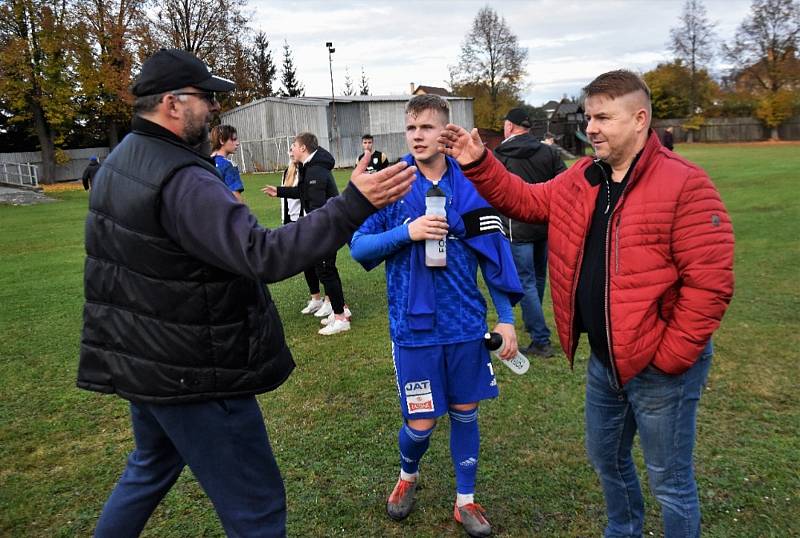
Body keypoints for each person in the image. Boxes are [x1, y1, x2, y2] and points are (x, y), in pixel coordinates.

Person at [76, 47, 415, 538]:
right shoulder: (182, 178)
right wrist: (351, 206)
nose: (214, 109)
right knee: (255, 508)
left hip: (146, 360)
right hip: (194, 370)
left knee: (148, 469)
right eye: (205, 98)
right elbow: (263, 254)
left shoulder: (121, 161)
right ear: (172, 103)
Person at [438, 70, 734, 538]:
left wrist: (672, 355)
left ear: (640, 119)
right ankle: (623, 531)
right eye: (589, 116)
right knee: (608, 460)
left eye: (603, 117)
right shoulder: (583, 177)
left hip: (661, 367)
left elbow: (710, 284)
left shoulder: (684, 183)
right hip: (605, 359)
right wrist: (479, 162)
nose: (590, 127)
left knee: (670, 481)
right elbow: (526, 201)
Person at [350, 94, 523, 538]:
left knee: (466, 411)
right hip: (414, 328)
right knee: (421, 424)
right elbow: (358, 247)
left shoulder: (472, 186)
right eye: (411, 128)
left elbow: (494, 257)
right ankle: (408, 474)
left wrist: (504, 317)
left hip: (465, 325)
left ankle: (465, 500)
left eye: (427, 127)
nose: (418, 136)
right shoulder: (393, 183)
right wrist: (408, 232)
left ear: (445, 131)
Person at [495, 107, 567, 358]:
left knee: (525, 282)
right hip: (544, 224)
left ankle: (540, 338)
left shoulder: (502, 153)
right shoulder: (549, 152)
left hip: (517, 227)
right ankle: (532, 320)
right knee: (536, 277)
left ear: (511, 127)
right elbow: (565, 183)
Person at [264, 133, 352, 335]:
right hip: (321, 228)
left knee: (326, 270)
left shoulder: (317, 171)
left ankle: (341, 318)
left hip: (326, 229)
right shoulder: (309, 168)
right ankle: (341, 310)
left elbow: (319, 207)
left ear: (303, 148)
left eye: (293, 146)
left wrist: (311, 231)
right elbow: (303, 193)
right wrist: (278, 191)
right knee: (324, 270)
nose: (291, 150)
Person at [266, 154, 324, 316]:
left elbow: (301, 193)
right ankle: (316, 299)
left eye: (294, 149)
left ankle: (330, 301)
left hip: (304, 221)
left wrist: (279, 192)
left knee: (319, 262)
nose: (291, 153)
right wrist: (285, 220)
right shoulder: (286, 172)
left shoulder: (305, 172)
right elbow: (285, 199)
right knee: (305, 263)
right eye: (290, 151)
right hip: (291, 221)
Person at [210, 124, 244, 201]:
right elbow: (235, 196)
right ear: (222, 140)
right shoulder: (228, 165)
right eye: (234, 139)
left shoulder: (205, 162)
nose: (237, 143)